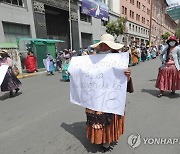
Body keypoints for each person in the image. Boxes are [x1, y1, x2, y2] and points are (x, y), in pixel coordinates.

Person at [85, 34, 134, 152]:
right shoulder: (92, 59)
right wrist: (76, 74)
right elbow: (85, 75)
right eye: (101, 44)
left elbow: (123, 82)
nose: (103, 46)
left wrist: (127, 76)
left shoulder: (119, 60)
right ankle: (98, 137)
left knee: (109, 119)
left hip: (111, 94)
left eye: (106, 45)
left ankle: (107, 140)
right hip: (95, 94)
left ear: (111, 47)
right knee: (96, 117)